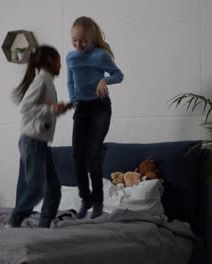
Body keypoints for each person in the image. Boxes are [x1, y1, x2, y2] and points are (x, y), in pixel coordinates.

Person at [66, 16, 124, 219]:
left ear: (91, 38)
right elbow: (70, 82)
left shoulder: (100, 55)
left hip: (100, 109)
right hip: (81, 109)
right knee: (76, 155)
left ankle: (98, 202)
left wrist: (104, 80)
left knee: (93, 154)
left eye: (83, 41)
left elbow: (119, 75)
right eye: (74, 41)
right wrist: (73, 100)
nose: (78, 45)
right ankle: (86, 198)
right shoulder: (70, 58)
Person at [9, 45, 71, 228]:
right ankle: (14, 221)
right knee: (37, 189)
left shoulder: (47, 82)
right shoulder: (41, 81)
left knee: (53, 190)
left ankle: (44, 227)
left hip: (40, 143)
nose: (61, 66)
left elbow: (42, 113)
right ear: (51, 61)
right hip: (32, 141)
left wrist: (59, 109)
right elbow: (25, 108)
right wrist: (52, 108)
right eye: (59, 61)